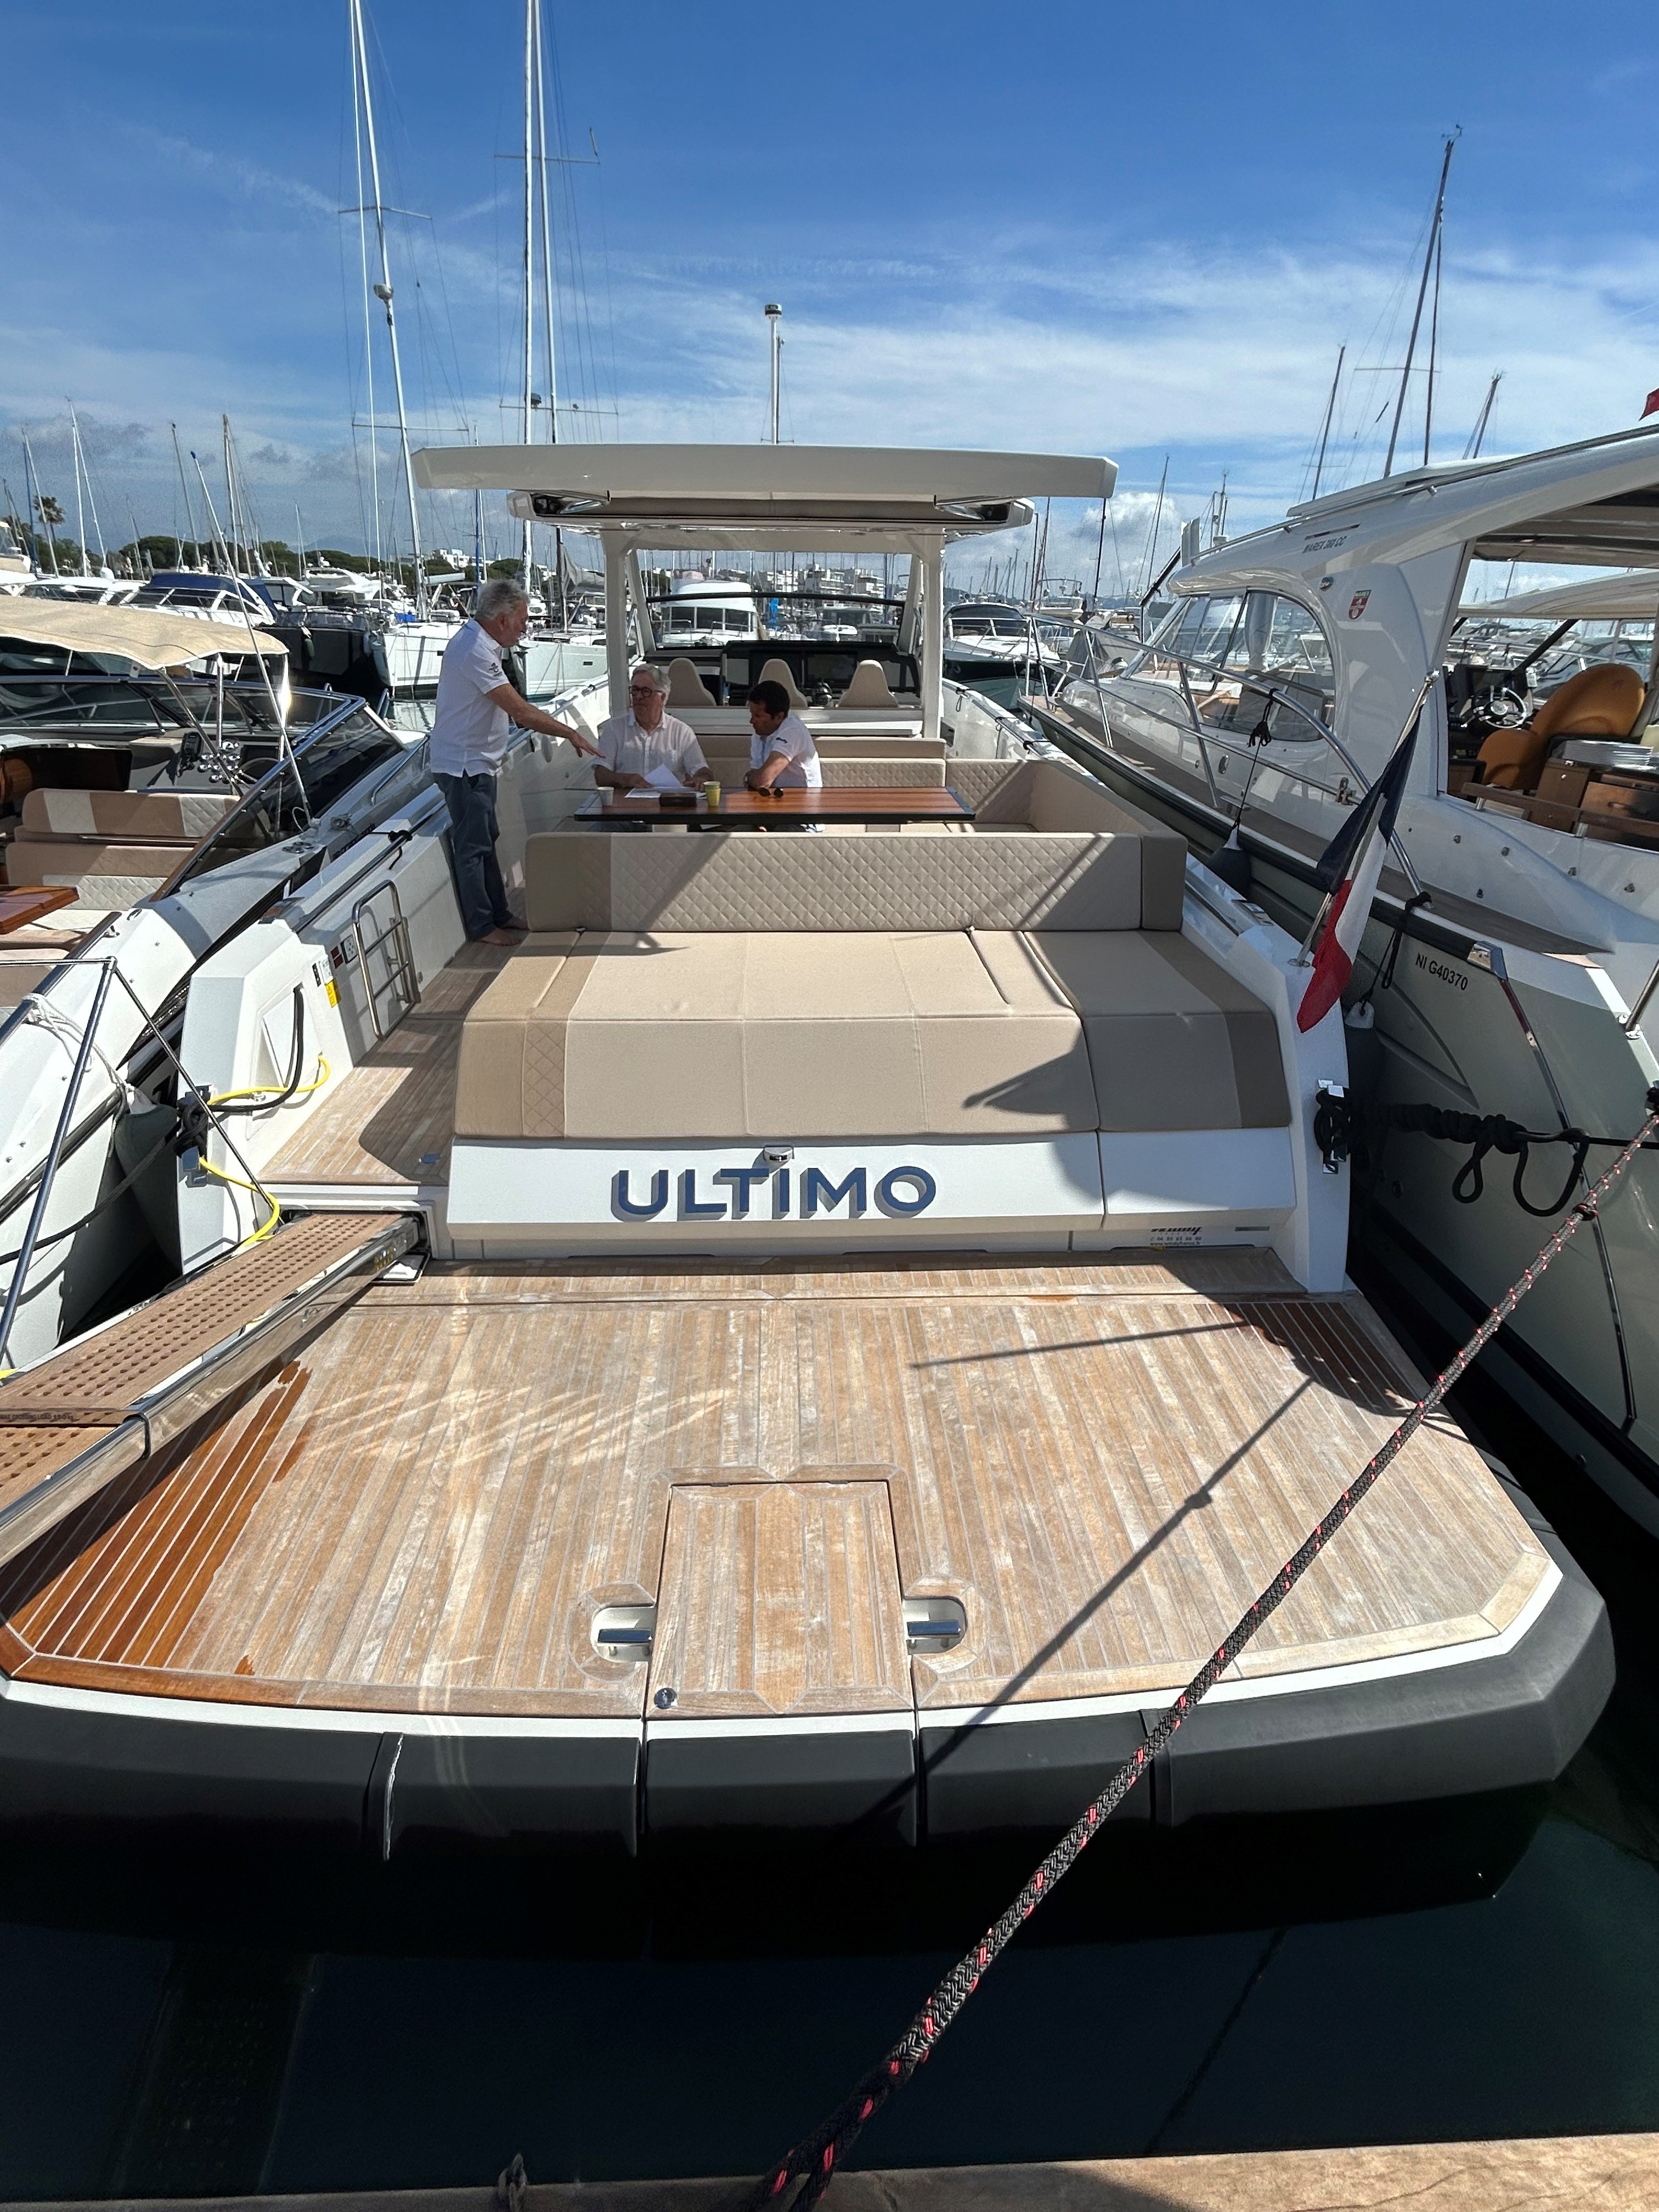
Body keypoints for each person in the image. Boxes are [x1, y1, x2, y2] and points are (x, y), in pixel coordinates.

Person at [428, 579, 598, 945]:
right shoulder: (474, 650)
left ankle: (499, 914)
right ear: (502, 619)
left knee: (487, 839)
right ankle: (482, 926)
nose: (525, 628)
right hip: (465, 766)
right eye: (522, 620)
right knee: (473, 848)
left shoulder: (480, 643)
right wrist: (570, 733)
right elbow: (520, 712)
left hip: (478, 763)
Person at [594, 663, 708, 790]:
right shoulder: (615, 728)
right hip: (626, 800)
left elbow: (702, 770)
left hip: (668, 800)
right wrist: (625, 779)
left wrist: (702, 779)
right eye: (635, 690)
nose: (638, 696)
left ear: (662, 697)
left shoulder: (681, 732)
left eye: (646, 691)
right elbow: (601, 775)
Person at [744, 679, 822, 789]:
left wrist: (748, 778)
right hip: (775, 797)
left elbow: (762, 781)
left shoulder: (793, 729)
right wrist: (754, 779)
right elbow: (757, 780)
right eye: (752, 714)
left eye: (758, 716)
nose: (752, 721)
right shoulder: (759, 733)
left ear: (779, 717)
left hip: (806, 798)